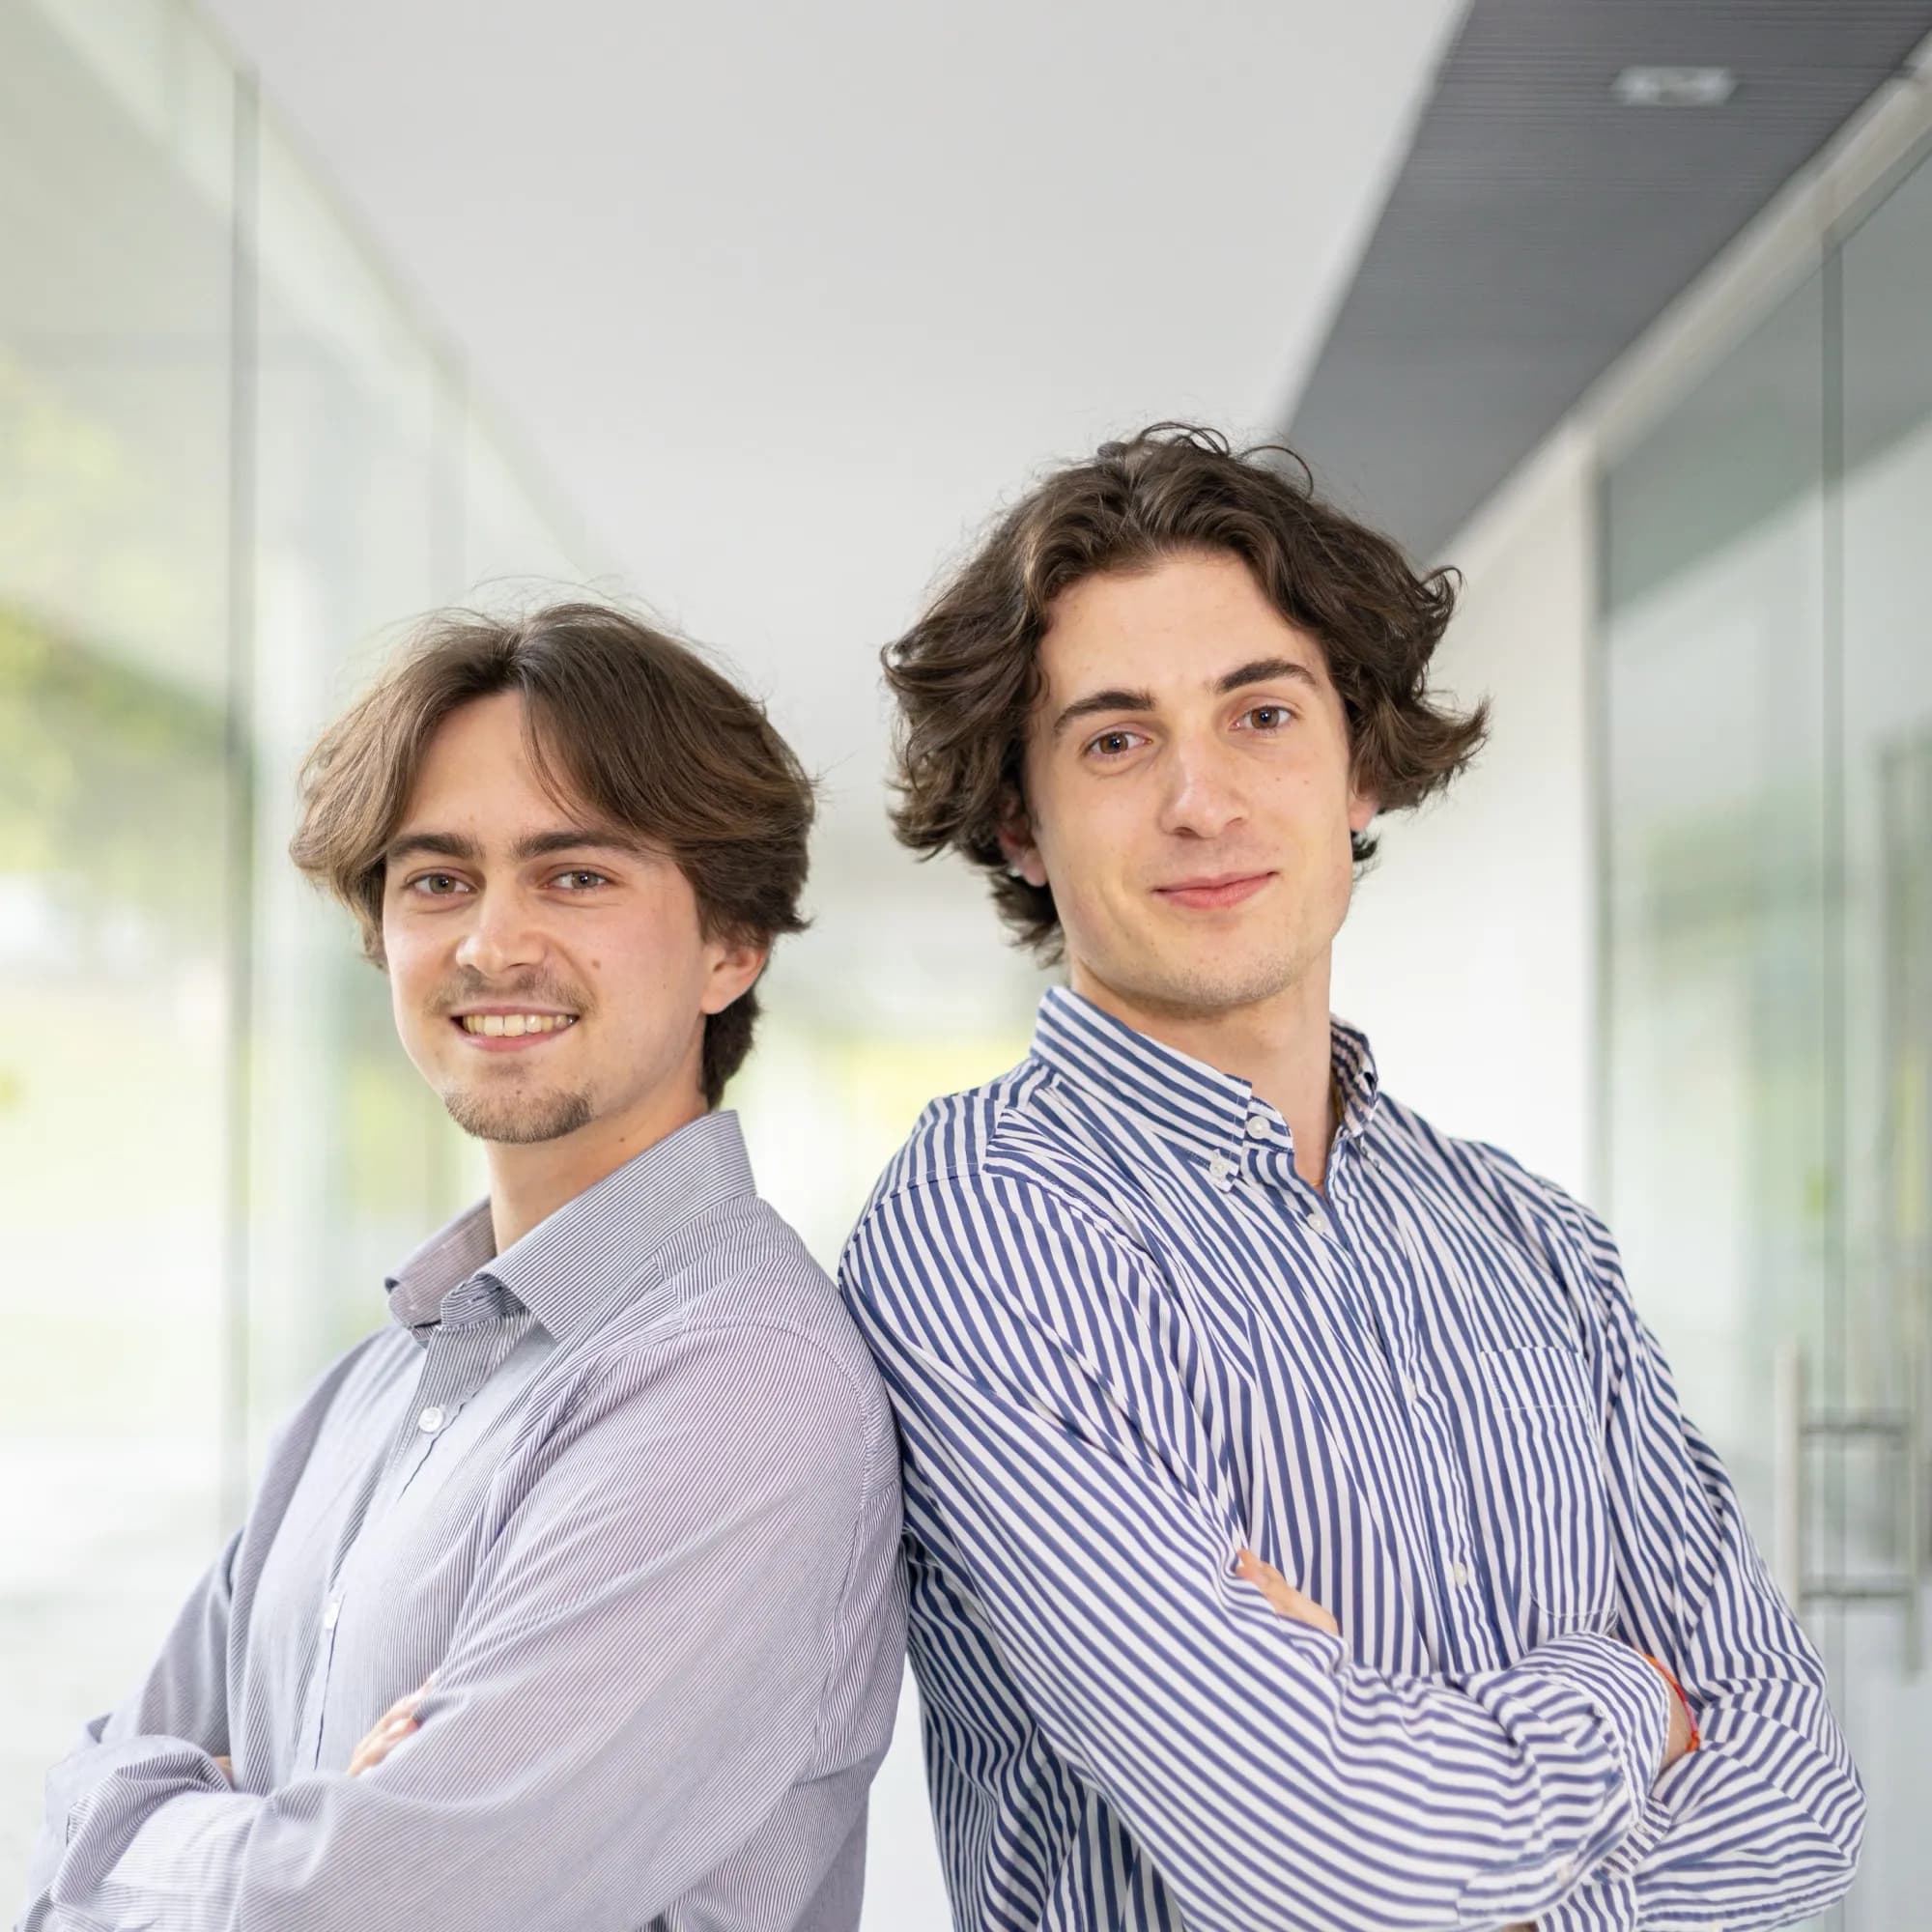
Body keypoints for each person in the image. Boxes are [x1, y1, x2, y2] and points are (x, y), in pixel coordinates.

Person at [839, 426, 1863, 1932]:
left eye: (1261, 714)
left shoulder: (1531, 1241)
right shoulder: (989, 1231)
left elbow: (1803, 1808)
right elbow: (1334, 1861)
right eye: (1115, 739)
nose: (1202, 800)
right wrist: (1624, 1700)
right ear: (1020, 821)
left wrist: (1472, 1842)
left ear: (1361, 770)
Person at [18, 603, 904, 1932]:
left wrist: (171, 1823)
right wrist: (239, 1837)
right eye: (438, 880)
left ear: (732, 945)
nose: (492, 943)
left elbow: (364, 1909)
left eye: (576, 875)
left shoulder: (741, 1392)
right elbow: (77, 1840)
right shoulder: (372, 1390)